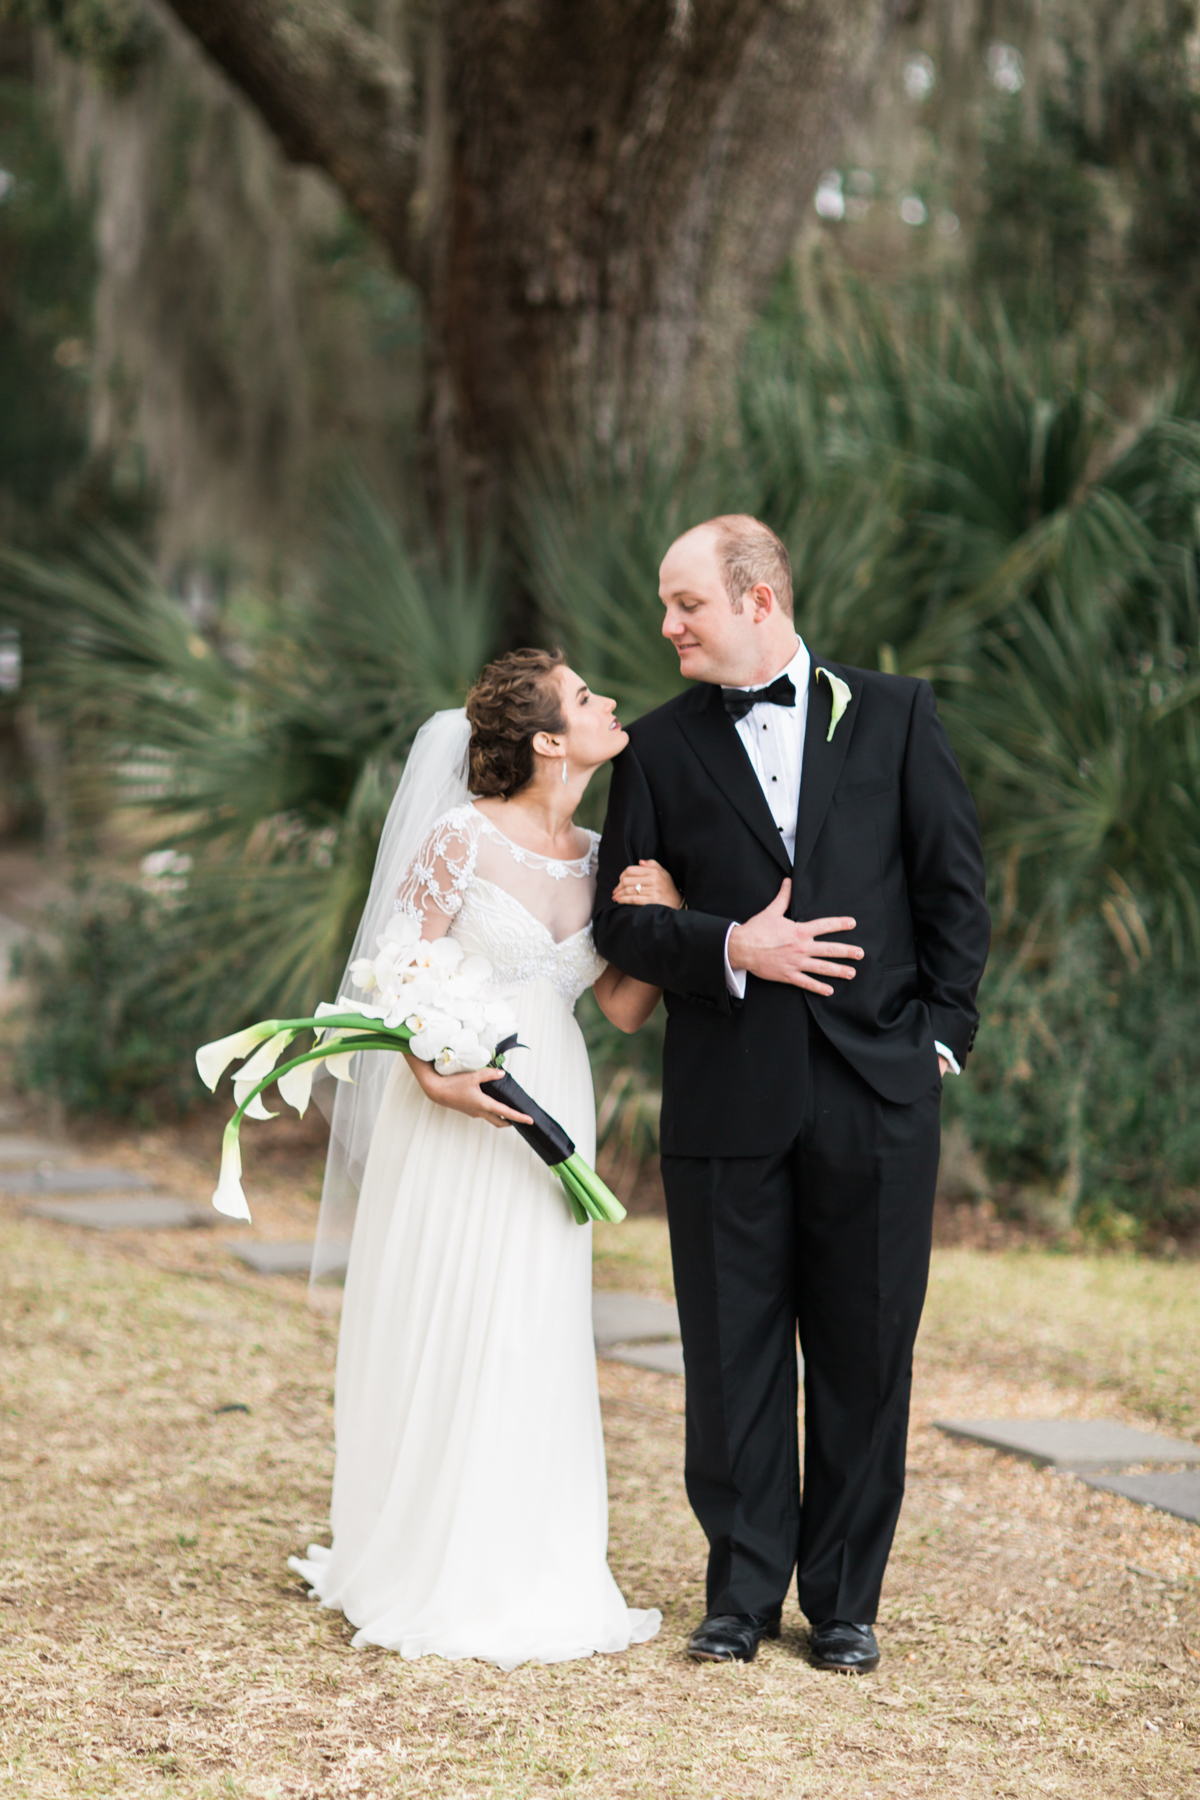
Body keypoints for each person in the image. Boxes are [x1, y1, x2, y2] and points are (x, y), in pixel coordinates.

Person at [592, 516, 991, 1673]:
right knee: (731, 1353)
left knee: (867, 1353)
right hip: (726, 1092)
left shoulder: (898, 714)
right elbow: (621, 922)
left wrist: (942, 1041)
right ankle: (742, 1589)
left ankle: (847, 1601)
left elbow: (953, 887)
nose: (666, 626)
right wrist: (729, 946)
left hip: (878, 1091)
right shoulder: (658, 751)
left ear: (758, 599)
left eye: (686, 605)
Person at [291, 648, 680, 1669]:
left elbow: (623, 1011)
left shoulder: (604, 855)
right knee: (452, 1307)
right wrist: (432, 1073)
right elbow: (395, 976)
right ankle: (427, 1554)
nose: (608, 701)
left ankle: (530, 1558)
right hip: (458, 1103)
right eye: (587, 696)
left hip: (556, 1090)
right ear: (550, 739)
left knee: (533, 1318)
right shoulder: (458, 841)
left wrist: (667, 916)